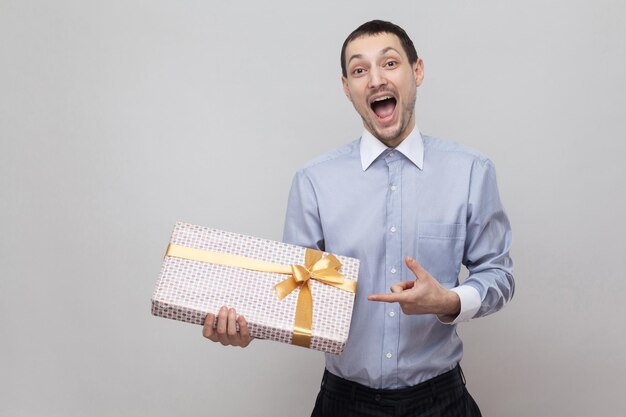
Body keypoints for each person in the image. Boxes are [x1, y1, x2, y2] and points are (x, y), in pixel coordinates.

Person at [203, 19, 514, 417]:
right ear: (347, 88)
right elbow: (294, 294)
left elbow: (499, 274)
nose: (375, 79)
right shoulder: (314, 180)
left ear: (416, 71)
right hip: (344, 403)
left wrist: (449, 300)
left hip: (442, 401)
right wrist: (248, 326)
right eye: (359, 70)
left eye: (389, 63)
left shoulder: (471, 171)